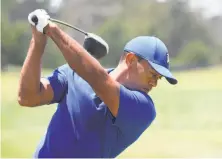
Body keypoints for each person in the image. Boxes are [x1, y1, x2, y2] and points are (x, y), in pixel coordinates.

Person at [18, 9, 177, 158]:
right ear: (131, 60)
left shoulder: (143, 108)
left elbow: (98, 80)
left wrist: (51, 29)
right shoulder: (72, 73)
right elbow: (27, 97)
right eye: (153, 75)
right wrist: (38, 41)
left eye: (158, 78)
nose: (154, 83)